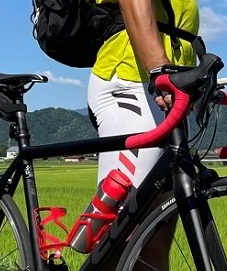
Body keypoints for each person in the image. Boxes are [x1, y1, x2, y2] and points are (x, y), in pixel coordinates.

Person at [86, 0, 199, 268]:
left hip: (169, 87)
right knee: (125, 231)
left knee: (157, 231)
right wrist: (159, 67)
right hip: (132, 82)